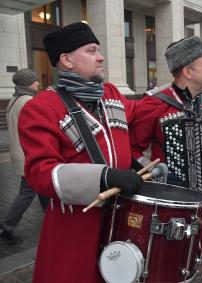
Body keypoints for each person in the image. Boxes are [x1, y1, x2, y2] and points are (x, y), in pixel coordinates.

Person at [18, 22, 145, 283]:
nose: (100, 57)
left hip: (120, 219)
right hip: (75, 228)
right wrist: (104, 177)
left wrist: (140, 161)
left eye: (98, 50)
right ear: (66, 60)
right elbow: (39, 173)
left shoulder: (110, 93)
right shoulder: (41, 107)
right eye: (91, 50)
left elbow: (140, 116)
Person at [130, 36, 202, 283]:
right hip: (172, 206)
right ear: (188, 71)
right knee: (172, 268)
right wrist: (158, 173)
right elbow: (132, 149)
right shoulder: (154, 103)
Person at [0, 69, 49, 244]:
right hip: (28, 155)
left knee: (42, 188)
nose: (37, 83)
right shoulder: (27, 101)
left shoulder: (15, 99)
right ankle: (7, 226)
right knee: (27, 192)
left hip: (20, 153)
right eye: (35, 81)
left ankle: (52, 217)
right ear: (28, 83)